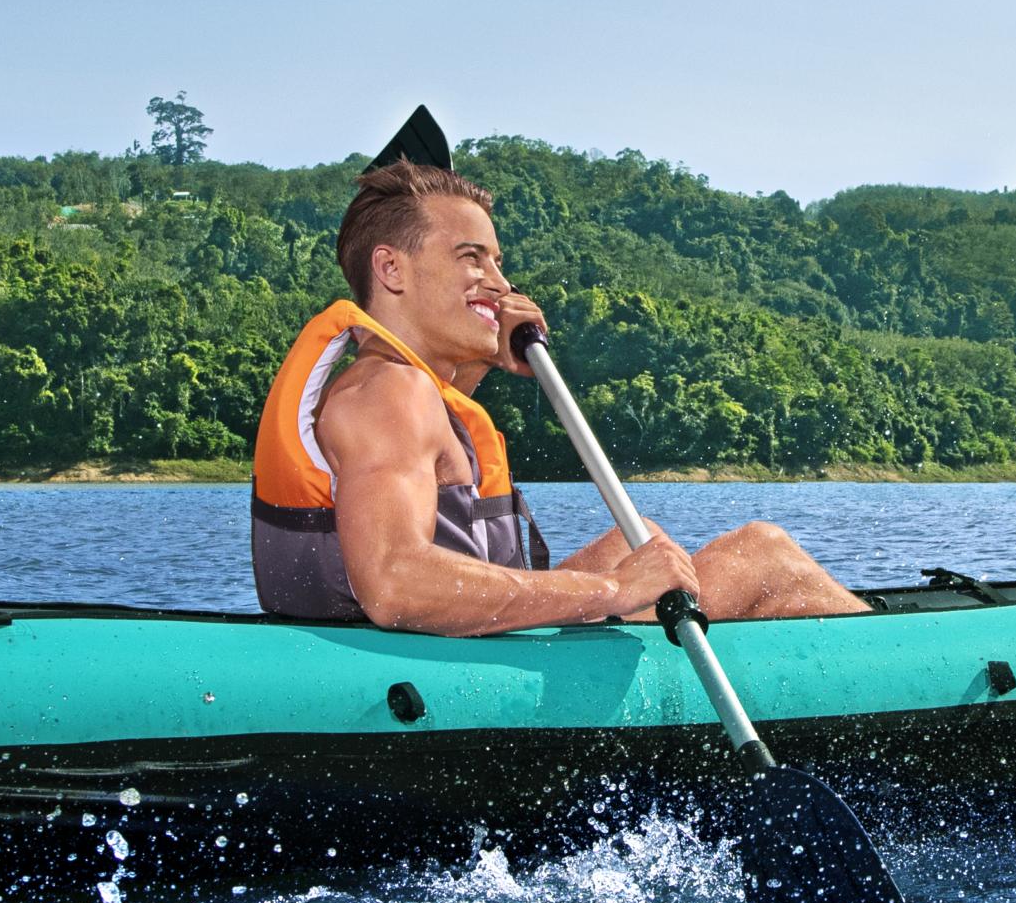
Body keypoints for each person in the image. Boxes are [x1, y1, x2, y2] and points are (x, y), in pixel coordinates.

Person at [250, 126, 871, 635]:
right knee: (765, 554)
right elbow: (393, 584)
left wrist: (482, 361)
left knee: (642, 539)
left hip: (445, 651)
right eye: (472, 258)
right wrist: (612, 591)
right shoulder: (387, 392)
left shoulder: (395, 389)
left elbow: (439, 493)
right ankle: (907, 696)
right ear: (391, 269)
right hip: (447, 677)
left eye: (498, 261)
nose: (501, 284)